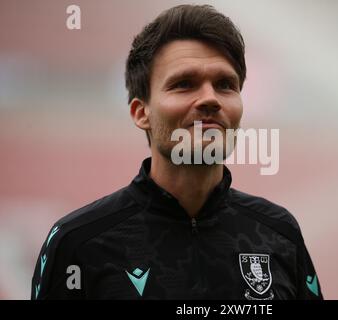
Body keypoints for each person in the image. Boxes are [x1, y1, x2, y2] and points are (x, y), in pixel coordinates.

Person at [31, 4, 323, 300]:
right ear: (140, 112)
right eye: (184, 84)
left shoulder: (279, 233)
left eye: (225, 85)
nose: (210, 98)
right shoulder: (78, 243)